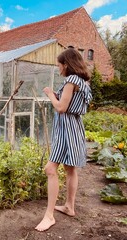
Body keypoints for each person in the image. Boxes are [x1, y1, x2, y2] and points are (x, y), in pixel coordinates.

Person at [35, 48, 92, 232]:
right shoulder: (83, 82)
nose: (58, 69)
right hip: (75, 127)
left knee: (50, 169)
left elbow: (61, 107)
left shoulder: (72, 79)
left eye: (59, 66)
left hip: (67, 129)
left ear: (66, 65)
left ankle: (49, 216)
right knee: (70, 169)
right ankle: (69, 206)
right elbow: (71, 104)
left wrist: (50, 94)